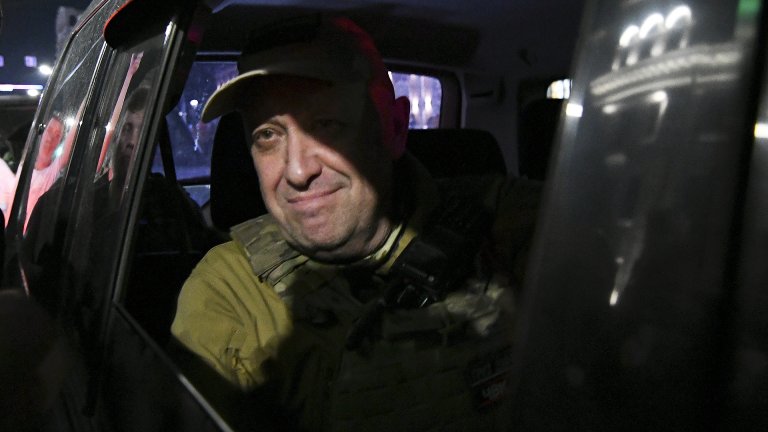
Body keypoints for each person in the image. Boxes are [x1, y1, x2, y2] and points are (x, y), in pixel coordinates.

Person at [171, 16, 540, 431]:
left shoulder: (508, 222)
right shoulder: (228, 293)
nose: (297, 171)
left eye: (326, 125)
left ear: (395, 128)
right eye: (267, 135)